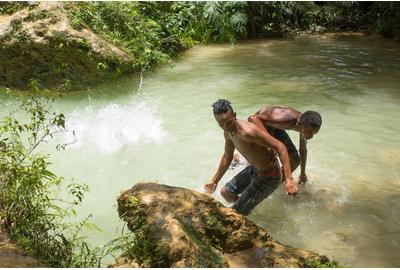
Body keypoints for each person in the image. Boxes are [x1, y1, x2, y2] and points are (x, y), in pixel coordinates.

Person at [204, 99, 298, 216]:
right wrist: (214, 181)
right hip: (254, 169)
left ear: (234, 115)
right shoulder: (227, 132)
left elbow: (281, 147)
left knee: (235, 212)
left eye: (228, 122)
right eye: (221, 124)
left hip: (269, 177)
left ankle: (243, 209)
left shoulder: (247, 132)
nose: (226, 127)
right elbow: (227, 156)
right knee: (226, 193)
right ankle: (248, 208)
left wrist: (289, 179)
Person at [248, 105, 322, 184]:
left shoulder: (304, 125)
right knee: (270, 159)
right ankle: (253, 181)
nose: (311, 136)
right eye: (311, 132)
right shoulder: (287, 120)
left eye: (315, 133)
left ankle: (275, 183)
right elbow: (253, 118)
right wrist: (270, 144)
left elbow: (303, 150)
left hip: (274, 128)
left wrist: (303, 174)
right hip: (259, 125)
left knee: (295, 160)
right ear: (304, 126)